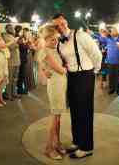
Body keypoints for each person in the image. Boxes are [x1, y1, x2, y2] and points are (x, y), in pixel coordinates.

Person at [52, 13, 102, 159]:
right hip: (71, 77)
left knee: (85, 111)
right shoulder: (59, 42)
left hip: (85, 75)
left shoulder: (80, 36)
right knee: (74, 110)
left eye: (61, 24)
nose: (60, 27)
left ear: (66, 22)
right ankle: (77, 141)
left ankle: (87, 147)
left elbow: (96, 54)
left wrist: (95, 71)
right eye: (56, 25)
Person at [37, 25, 67, 160]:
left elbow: (48, 67)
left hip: (60, 85)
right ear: (45, 39)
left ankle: (57, 143)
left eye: (56, 39)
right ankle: (49, 148)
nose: (55, 42)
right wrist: (70, 68)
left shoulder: (53, 50)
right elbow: (60, 70)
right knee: (55, 118)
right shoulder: (45, 51)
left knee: (59, 117)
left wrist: (45, 69)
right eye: (51, 39)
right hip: (55, 86)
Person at [98, 27, 119, 95]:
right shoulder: (108, 39)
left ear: (117, 31)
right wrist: (103, 32)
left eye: (113, 31)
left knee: (118, 76)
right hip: (110, 61)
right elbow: (100, 38)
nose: (112, 32)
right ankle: (111, 89)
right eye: (111, 31)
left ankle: (117, 89)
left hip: (118, 61)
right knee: (111, 76)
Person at [4, 24, 21, 100]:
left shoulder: (13, 36)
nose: (12, 29)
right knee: (10, 78)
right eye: (10, 28)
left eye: (12, 28)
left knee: (15, 78)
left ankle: (14, 93)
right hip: (11, 60)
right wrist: (17, 44)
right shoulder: (5, 36)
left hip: (17, 60)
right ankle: (8, 94)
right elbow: (9, 47)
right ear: (7, 29)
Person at [15, 26, 29, 95]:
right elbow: (22, 47)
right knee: (21, 74)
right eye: (23, 31)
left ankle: (20, 88)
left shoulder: (22, 38)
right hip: (21, 58)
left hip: (23, 57)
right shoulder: (20, 38)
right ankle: (19, 89)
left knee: (22, 74)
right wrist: (27, 44)